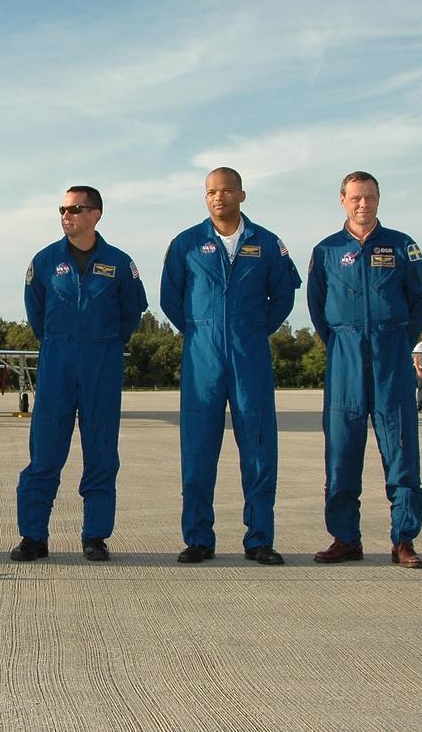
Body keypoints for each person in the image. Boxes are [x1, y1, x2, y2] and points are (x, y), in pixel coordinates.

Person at [160, 168, 301, 566]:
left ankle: (259, 540)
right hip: (201, 356)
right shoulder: (186, 243)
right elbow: (171, 298)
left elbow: (284, 297)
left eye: (225, 191)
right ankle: (198, 538)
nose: (217, 198)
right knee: (198, 450)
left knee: (258, 449)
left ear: (241, 194)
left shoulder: (268, 244)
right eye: (210, 192)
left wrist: (252, 330)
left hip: (249, 354)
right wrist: (200, 330)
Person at [11, 186, 147, 562]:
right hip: (57, 361)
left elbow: (131, 313)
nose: (67, 215)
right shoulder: (44, 260)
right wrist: (61, 342)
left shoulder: (119, 263)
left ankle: (95, 537)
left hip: (102, 363)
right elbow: (36, 312)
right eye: (62, 209)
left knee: (102, 453)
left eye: (75, 209)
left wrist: (103, 342)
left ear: (96, 214)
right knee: (44, 454)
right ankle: (33, 537)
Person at [307, 172, 422, 569]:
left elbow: (420, 299)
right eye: (356, 197)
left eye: (370, 197)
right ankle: (345, 537)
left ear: (379, 199)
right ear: (342, 199)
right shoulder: (326, 251)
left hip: (391, 351)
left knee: (401, 447)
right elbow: (317, 305)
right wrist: (343, 340)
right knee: (342, 448)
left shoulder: (401, 246)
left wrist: (396, 340)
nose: (364, 204)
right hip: (344, 353)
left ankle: (403, 539)